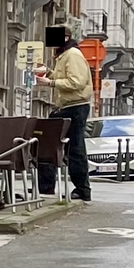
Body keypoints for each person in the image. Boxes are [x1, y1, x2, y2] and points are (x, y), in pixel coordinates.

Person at [42, 26, 93, 201]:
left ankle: (81, 189)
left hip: (75, 106)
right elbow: (63, 76)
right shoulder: (65, 55)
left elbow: (76, 82)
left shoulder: (72, 55)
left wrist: (50, 82)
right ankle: (49, 186)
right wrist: (48, 72)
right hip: (68, 106)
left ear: (65, 37)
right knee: (57, 143)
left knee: (75, 148)